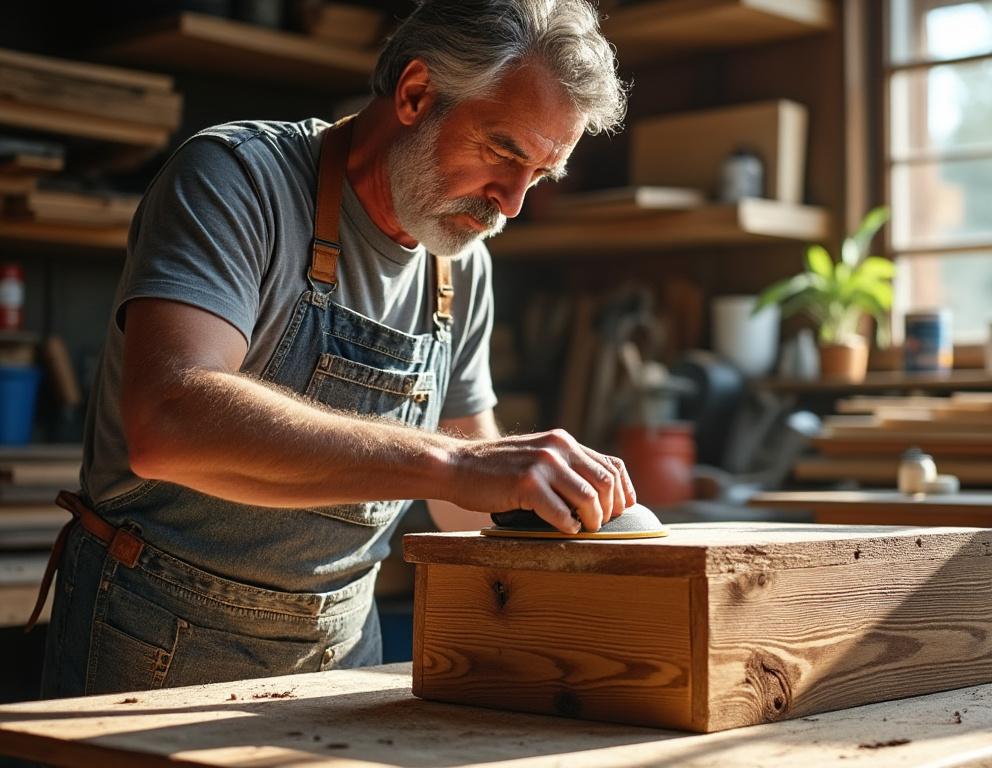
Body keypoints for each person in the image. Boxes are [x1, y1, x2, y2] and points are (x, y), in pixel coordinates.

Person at [35, 0, 633, 698]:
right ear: (415, 94)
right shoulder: (237, 180)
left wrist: (564, 513)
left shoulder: (459, 261)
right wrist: (454, 461)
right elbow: (169, 419)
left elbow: (466, 497)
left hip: (343, 647)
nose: (513, 202)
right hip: (156, 636)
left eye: (541, 175)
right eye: (504, 151)